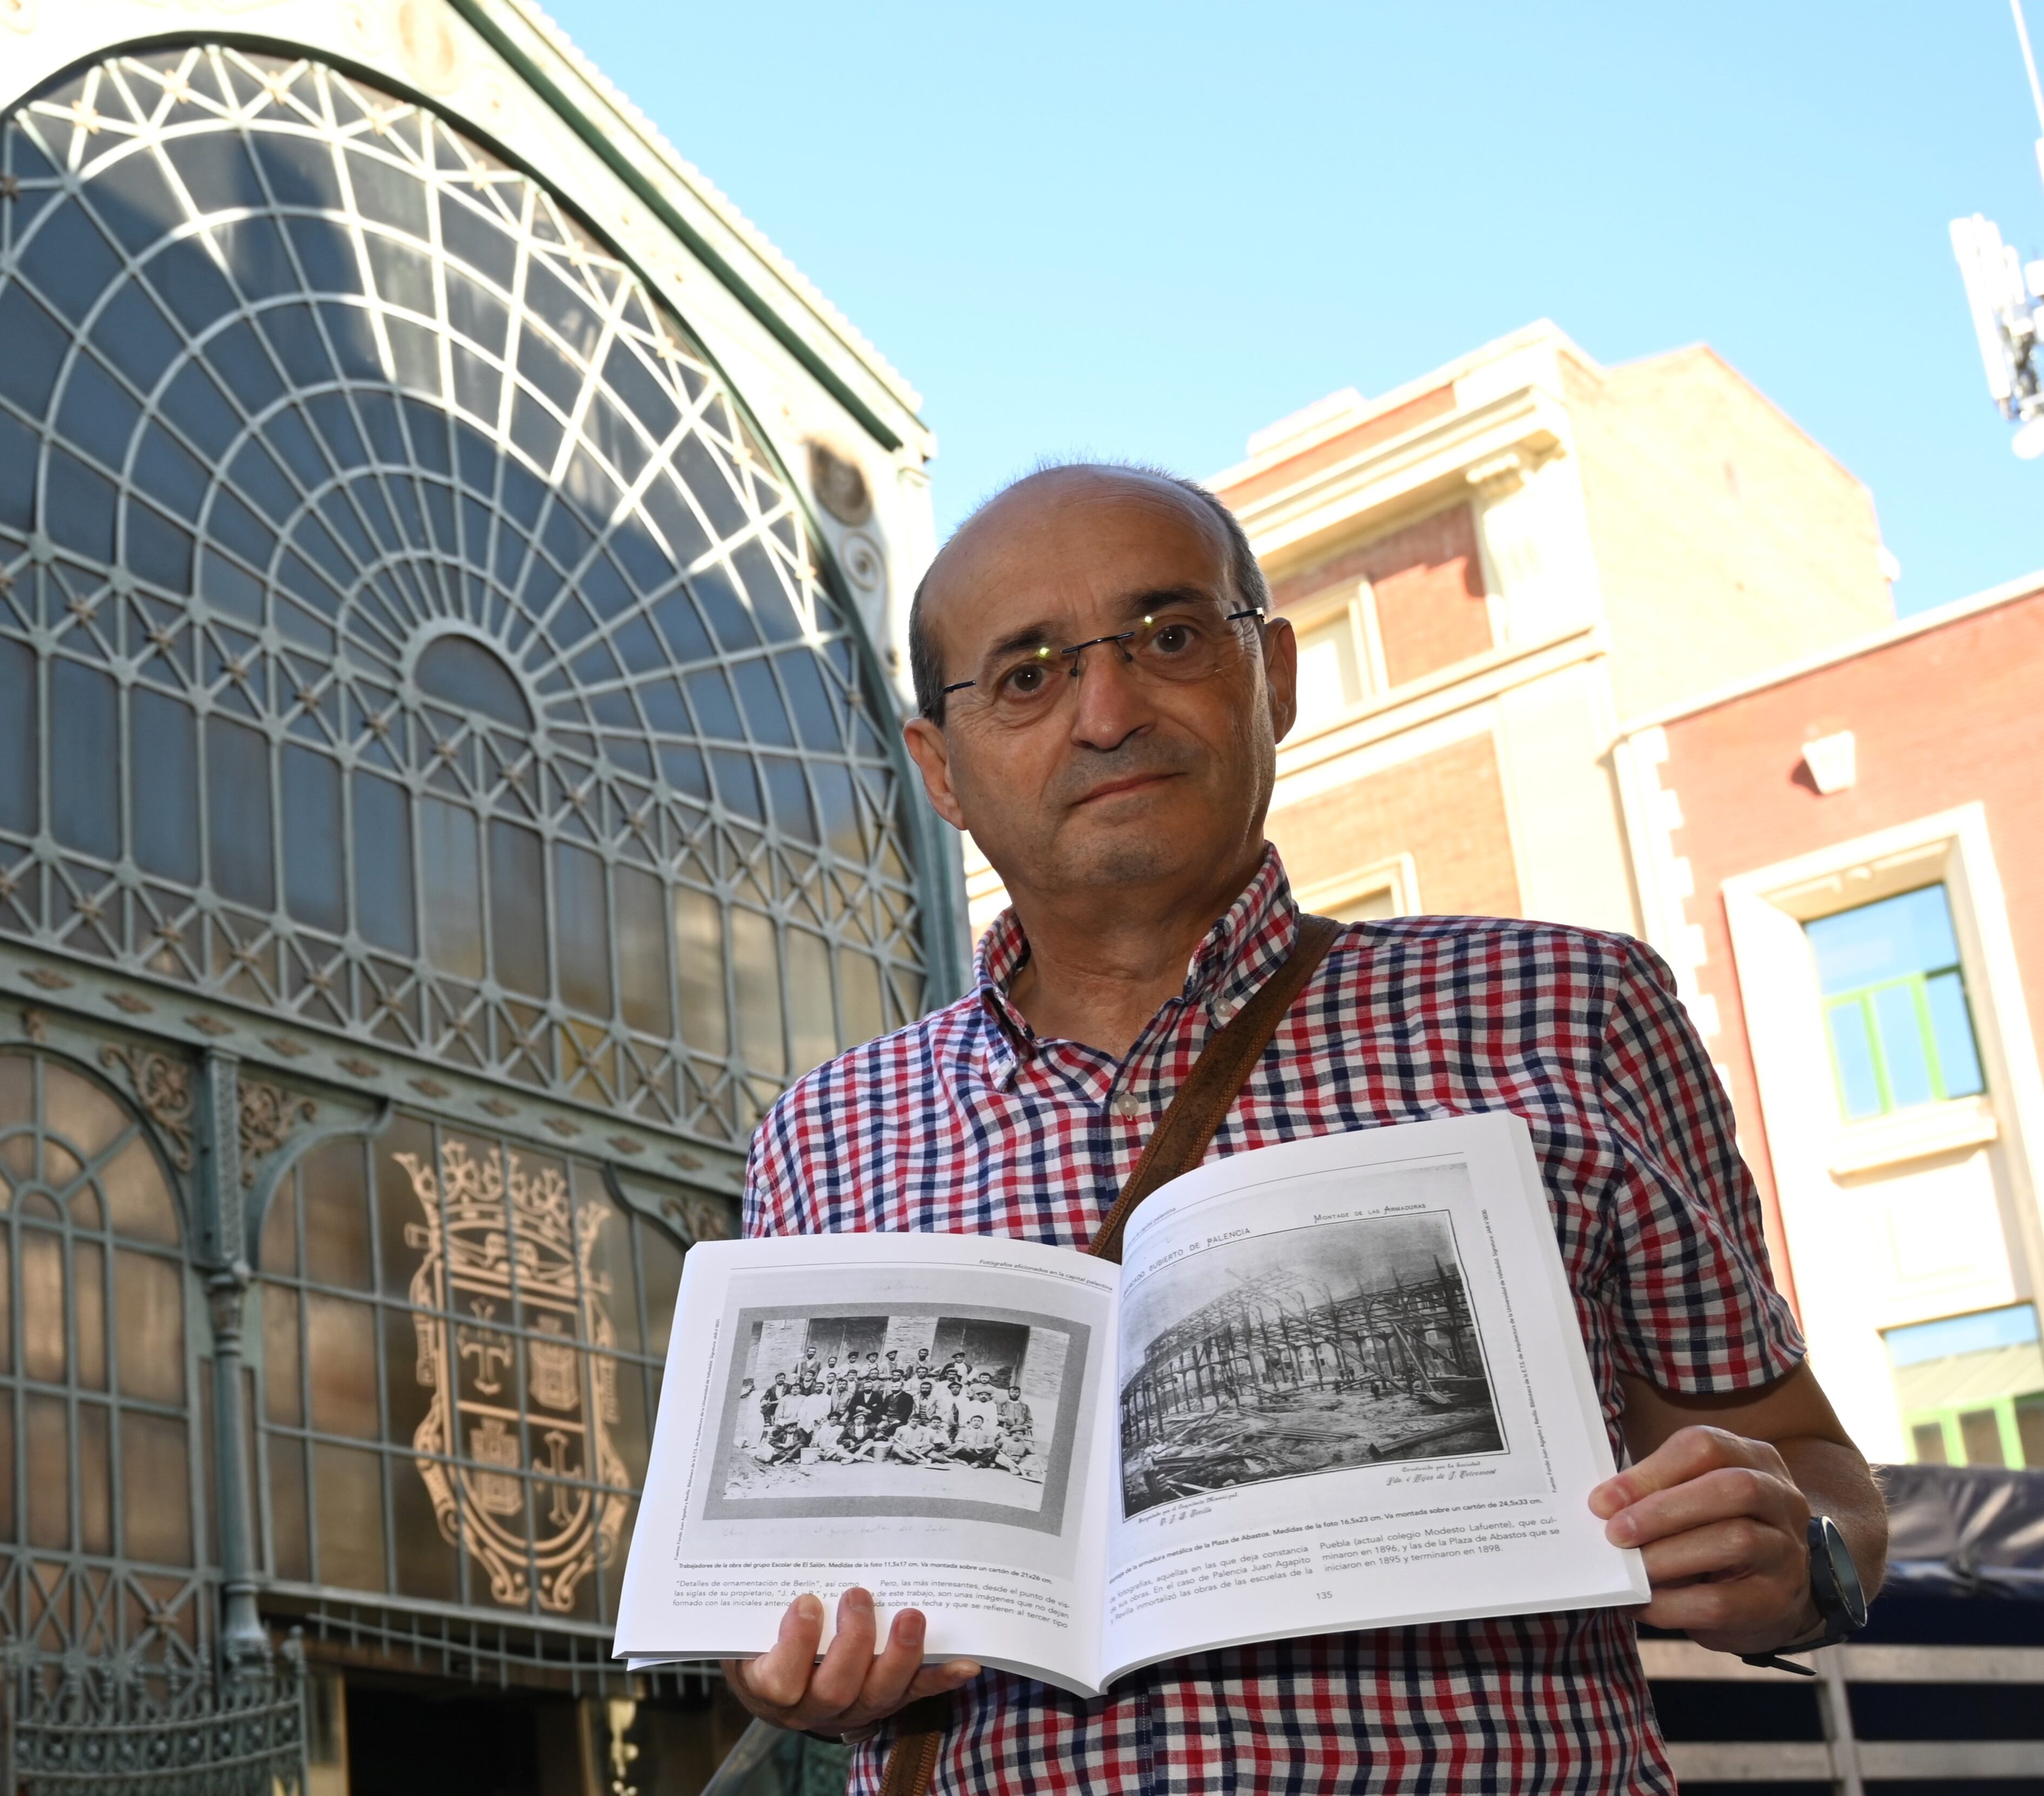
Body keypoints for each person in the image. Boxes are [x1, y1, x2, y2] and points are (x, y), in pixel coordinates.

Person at [719, 465, 1887, 1792]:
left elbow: (1812, 1468)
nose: (1107, 711)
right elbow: (767, 1609)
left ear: (1272, 672)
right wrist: (788, 1672)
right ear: (939, 765)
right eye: (1028, 674)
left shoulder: (1567, 1007)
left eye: (1166, 637)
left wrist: (1801, 1552)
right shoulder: (824, 1131)